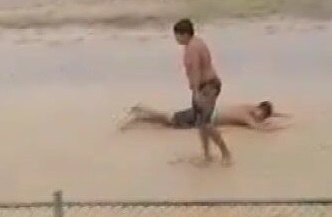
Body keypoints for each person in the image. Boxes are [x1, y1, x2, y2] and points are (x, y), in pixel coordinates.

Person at [173, 18, 232, 166]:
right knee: (201, 123)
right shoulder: (195, 43)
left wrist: (196, 92)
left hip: (207, 87)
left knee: (206, 123)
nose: (176, 39)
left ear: (185, 34)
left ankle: (226, 153)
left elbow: (196, 70)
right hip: (205, 86)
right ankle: (206, 155)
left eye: (177, 36)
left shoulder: (193, 47)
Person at [120, 101, 291, 131]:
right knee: (169, 121)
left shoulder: (250, 106)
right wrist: (280, 128)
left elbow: (267, 112)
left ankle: (141, 114)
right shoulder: (245, 114)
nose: (260, 118)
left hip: (203, 112)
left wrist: (280, 115)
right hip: (202, 116)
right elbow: (258, 128)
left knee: (168, 121)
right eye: (262, 115)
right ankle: (141, 112)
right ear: (259, 109)